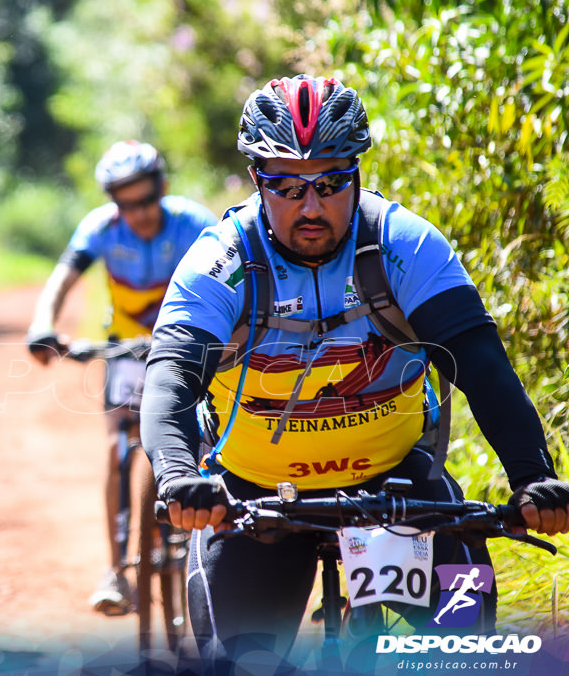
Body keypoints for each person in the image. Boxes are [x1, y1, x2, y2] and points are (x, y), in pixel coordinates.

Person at [140, 75, 569, 663]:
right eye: (287, 186)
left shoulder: (403, 243)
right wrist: (177, 476)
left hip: (399, 486)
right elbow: (170, 378)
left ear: (357, 175)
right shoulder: (222, 258)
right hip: (256, 497)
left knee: (467, 647)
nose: (310, 206)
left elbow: (481, 363)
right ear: (257, 183)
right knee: (236, 664)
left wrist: (530, 476)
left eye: (331, 182)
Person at [26, 140, 218, 614]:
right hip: (128, 351)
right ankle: (115, 569)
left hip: (187, 349)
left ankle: (212, 548)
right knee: (117, 448)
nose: (138, 212)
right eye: (125, 203)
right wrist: (43, 325)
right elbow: (62, 277)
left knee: (207, 440)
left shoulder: (194, 222)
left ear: (162, 188)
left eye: (146, 199)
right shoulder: (101, 228)